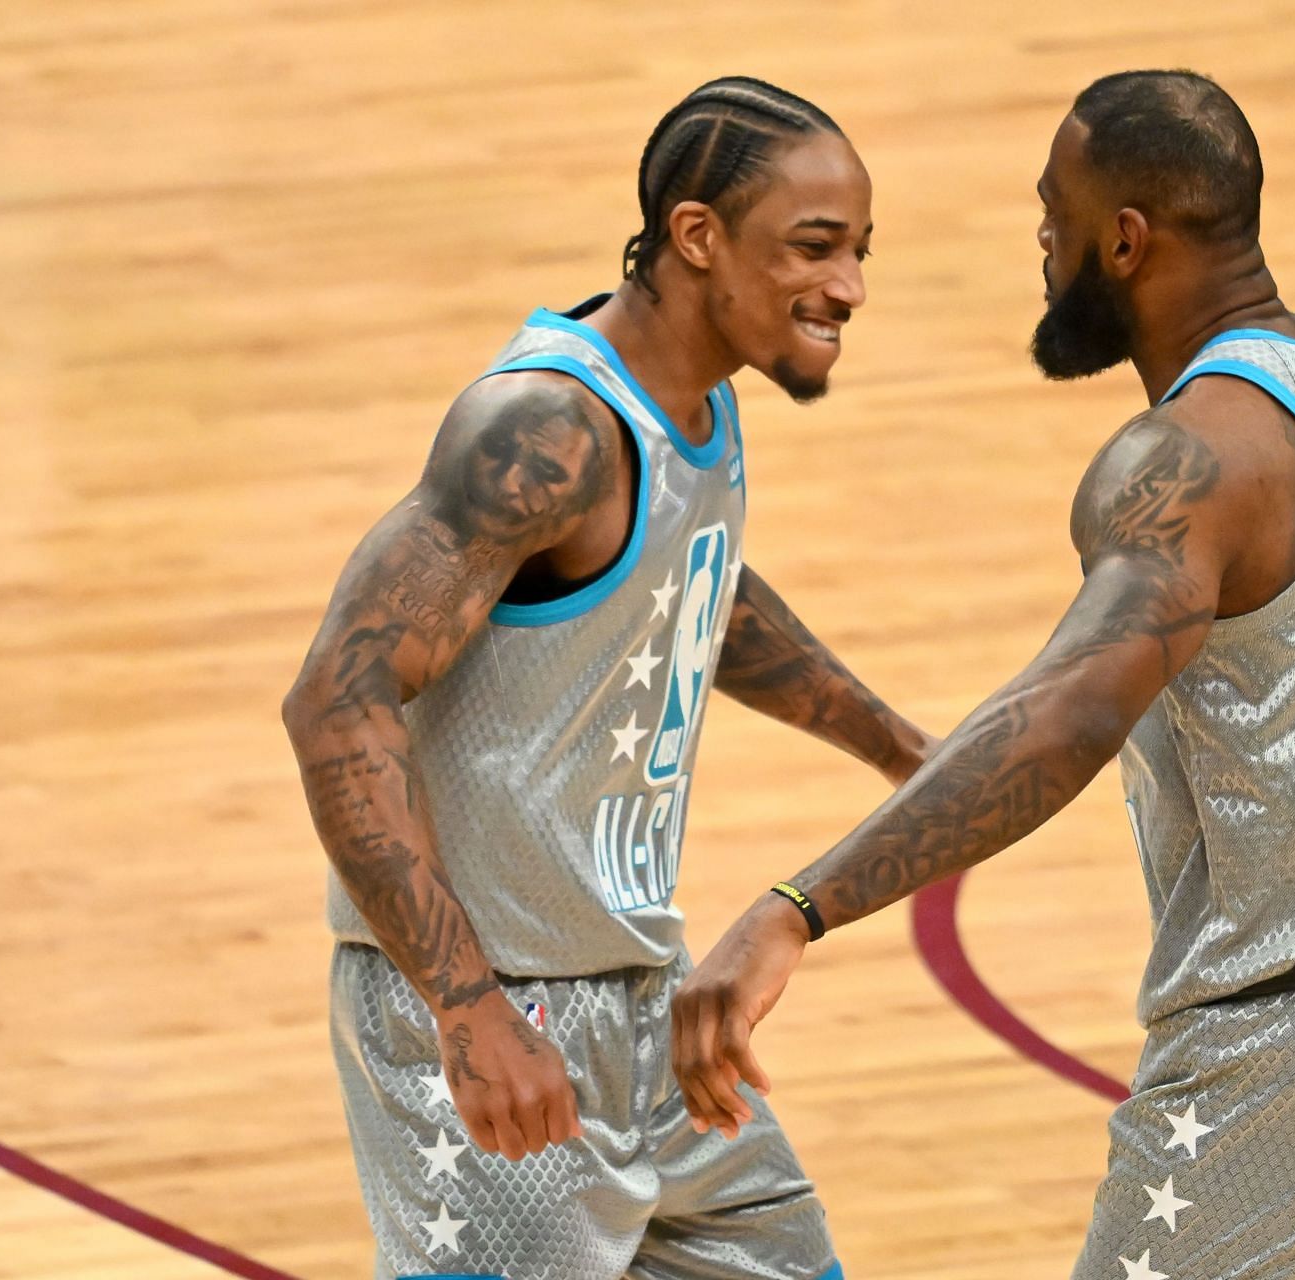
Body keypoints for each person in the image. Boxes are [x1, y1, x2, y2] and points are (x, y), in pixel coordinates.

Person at [672, 69, 1295, 1280]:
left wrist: (798, 906)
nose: (1042, 239)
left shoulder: (1189, 457)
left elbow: (1070, 714)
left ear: (1125, 239)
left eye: (1054, 211)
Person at [281, 75, 931, 1280]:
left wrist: (897, 745)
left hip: (639, 992)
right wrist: (467, 1010)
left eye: (859, 252)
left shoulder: (699, 406)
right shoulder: (543, 432)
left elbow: (695, 584)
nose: (846, 286)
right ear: (697, 236)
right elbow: (336, 697)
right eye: (815, 248)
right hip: (490, 997)